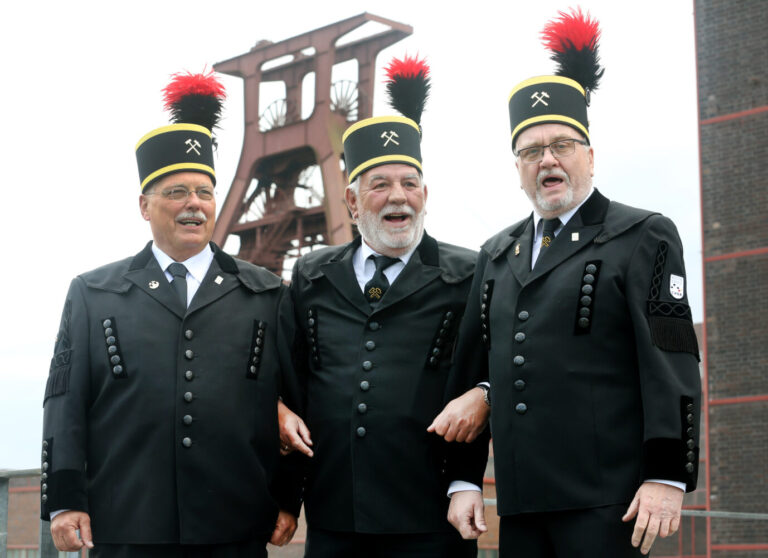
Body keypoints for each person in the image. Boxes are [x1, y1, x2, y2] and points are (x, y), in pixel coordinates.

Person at [451, 9, 702, 557]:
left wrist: (668, 475)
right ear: (516, 167)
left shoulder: (644, 235)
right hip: (520, 504)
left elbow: (673, 362)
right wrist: (465, 480)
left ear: (589, 155)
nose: (547, 160)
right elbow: (473, 374)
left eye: (562, 145)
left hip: (608, 502)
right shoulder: (496, 254)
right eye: (531, 151)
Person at [40, 71, 300, 557]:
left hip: (235, 525)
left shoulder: (266, 294)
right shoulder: (93, 294)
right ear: (145, 205)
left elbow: (293, 402)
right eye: (177, 192)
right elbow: (64, 404)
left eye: (204, 192)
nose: (194, 205)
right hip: (126, 523)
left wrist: (288, 497)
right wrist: (64, 501)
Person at [277, 56, 490, 557]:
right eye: (381, 185)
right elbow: (291, 388)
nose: (400, 198)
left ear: (425, 193)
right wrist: (286, 497)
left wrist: (468, 475)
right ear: (352, 203)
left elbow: (498, 370)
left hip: (430, 517)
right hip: (333, 516)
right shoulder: (311, 276)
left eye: (409, 183)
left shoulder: (472, 273)